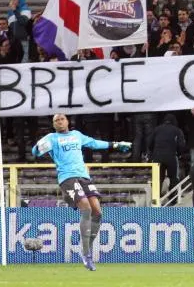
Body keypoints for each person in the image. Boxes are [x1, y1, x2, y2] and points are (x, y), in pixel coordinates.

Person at [31, 113, 132, 270]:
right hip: (67, 177)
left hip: (84, 176)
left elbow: (94, 143)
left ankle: (86, 247)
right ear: (53, 124)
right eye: (56, 120)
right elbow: (35, 151)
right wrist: (37, 148)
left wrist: (115, 145)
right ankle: (86, 255)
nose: (59, 122)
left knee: (97, 212)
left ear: (67, 121)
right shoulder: (52, 138)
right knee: (86, 207)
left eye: (62, 119)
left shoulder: (76, 135)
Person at [147, 113, 186, 193]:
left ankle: (156, 197)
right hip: (171, 157)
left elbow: (149, 143)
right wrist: (179, 154)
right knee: (173, 178)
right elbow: (181, 145)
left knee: (157, 178)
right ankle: (173, 197)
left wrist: (153, 152)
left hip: (157, 157)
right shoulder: (177, 130)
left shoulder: (157, 129)